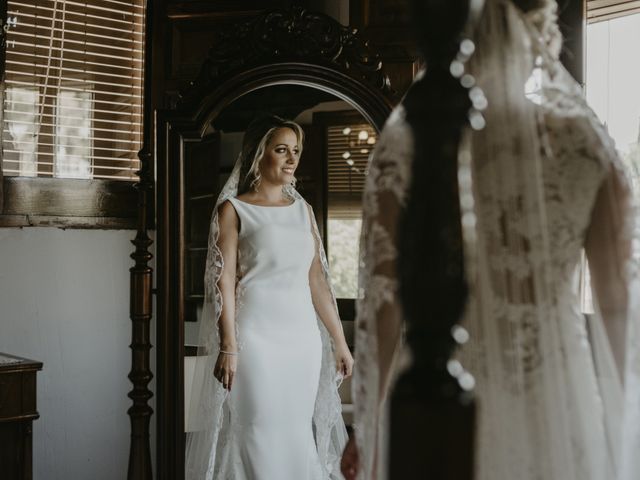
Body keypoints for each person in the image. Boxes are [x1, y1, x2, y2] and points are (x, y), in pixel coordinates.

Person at [342, 0, 640, 479]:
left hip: (438, 402)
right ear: (543, 30)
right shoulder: (585, 143)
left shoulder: (409, 143)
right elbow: (621, 310)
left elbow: (384, 309)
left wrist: (369, 428)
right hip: (558, 404)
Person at [185, 115, 353, 480]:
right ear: (258, 155)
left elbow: (318, 282)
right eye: (281, 150)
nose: (292, 159)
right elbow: (223, 279)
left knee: (295, 433)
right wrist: (229, 345)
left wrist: (340, 341)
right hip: (255, 340)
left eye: (295, 150)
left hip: (302, 341)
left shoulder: (303, 211)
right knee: (257, 430)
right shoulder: (234, 210)